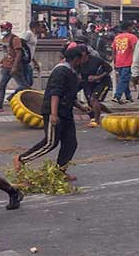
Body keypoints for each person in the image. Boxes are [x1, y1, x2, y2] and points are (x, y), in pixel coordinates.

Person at [14, 45, 90, 180]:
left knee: (70, 142)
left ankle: (60, 171)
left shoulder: (72, 71)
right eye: (85, 56)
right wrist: (54, 115)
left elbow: (69, 95)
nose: (87, 58)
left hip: (66, 111)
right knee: (51, 142)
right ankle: (22, 159)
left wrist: (81, 107)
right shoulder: (61, 71)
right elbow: (55, 93)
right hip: (54, 110)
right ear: (77, 58)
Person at [0, 22, 28, 112]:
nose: (1, 29)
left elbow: (19, 53)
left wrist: (15, 66)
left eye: (3, 28)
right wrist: (2, 61)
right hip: (6, 66)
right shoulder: (4, 39)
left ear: (9, 29)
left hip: (14, 66)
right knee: (1, 86)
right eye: (1, 28)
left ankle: (14, 97)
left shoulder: (15, 39)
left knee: (23, 85)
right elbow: (6, 53)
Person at [80, 44, 113, 128]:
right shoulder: (78, 62)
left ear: (85, 53)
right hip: (88, 83)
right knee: (92, 102)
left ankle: (97, 120)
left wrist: (98, 77)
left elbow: (109, 69)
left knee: (94, 99)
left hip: (102, 82)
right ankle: (111, 114)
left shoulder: (96, 60)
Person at [111, 22, 138, 104]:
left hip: (119, 61)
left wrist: (114, 61)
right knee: (124, 79)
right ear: (129, 27)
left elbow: (113, 50)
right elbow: (135, 49)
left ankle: (128, 96)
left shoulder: (117, 37)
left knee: (123, 79)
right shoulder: (132, 37)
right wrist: (136, 60)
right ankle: (117, 96)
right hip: (128, 61)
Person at [21, 21, 44, 88]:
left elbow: (31, 50)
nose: (41, 29)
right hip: (24, 61)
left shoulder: (35, 35)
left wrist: (35, 62)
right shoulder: (28, 33)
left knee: (29, 82)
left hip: (29, 61)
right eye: (40, 27)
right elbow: (21, 43)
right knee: (26, 83)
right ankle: (14, 95)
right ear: (35, 27)